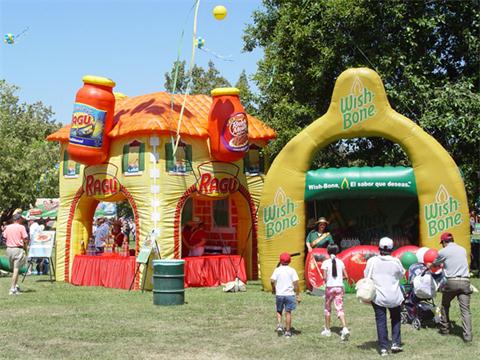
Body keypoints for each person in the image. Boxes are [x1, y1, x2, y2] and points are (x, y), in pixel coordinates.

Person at [364, 237, 404, 356]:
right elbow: (401, 275)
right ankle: (396, 343)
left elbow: (366, 275)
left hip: (378, 296)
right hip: (394, 296)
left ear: (379, 248)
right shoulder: (396, 261)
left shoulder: (372, 261)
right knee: (396, 319)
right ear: (392, 249)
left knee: (381, 321)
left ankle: (383, 348)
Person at [431, 232, 472, 342]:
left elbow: (435, 264)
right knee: (465, 310)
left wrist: (431, 265)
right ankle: (468, 336)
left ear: (444, 242)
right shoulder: (462, 249)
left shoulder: (443, 251)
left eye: (442, 243)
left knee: (445, 305)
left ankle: (445, 329)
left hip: (451, 282)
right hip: (465, 281)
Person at [320, 244, 350, 340]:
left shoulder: (325, 263)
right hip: (339, 288)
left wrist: (326, 278)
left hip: (330, 288)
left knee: (327, 309)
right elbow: (346, 276)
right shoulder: (340, 262)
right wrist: (339, 278)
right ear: (337, 251)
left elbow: (324, 277)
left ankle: (327, 330)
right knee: (340, 308)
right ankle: (345, 328)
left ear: (328, 252)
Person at [270, 252, 300, 338]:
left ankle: (279, 326)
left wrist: (273, 289)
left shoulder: (277, 270)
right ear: (290, 261)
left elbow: (272, 281)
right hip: (289, 295)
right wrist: (297, 295)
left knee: (279, 311)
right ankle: (288, 332)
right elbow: (296, 284)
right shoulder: (292, 270)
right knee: (288, 313)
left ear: (280, 261)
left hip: (279, 294)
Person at [2, 214, 29, 295]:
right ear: (18, 219)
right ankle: (12, 289)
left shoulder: (7, 227)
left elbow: (4, 238)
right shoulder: (21, 227)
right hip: (17, 249)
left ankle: (15, 286)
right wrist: (25, 247)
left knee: (14, 269)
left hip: (9, 249)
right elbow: (25, 239)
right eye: (21, 219)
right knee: (16, 269)